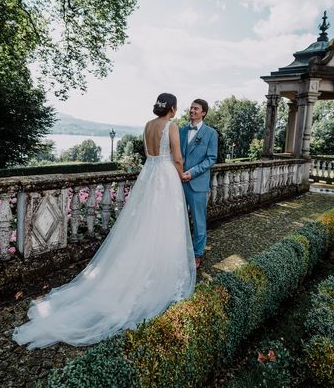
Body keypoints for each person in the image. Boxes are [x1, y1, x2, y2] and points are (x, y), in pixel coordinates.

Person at [12, 93, 196, 348]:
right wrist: (181, 174)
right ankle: (156, 273)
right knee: (164, 226)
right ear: (172, 108)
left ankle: (137, 267)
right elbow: (177, 157)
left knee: (142, 226)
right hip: (165, 177)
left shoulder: (147, 126)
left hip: (149, 174)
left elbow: (148, 153)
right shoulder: (171, 126)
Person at [179, 99, 218, 269]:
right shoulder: (180, 131)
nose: (192, 110)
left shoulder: (211, 133)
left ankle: (197, 254)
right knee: (178, 220)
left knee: (199, 221)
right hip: (178, 182)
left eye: (196, 109)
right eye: (191, 108)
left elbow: (211, 159)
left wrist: (192, 173)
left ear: (203, 113)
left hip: (197, 184)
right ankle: (179, 251)